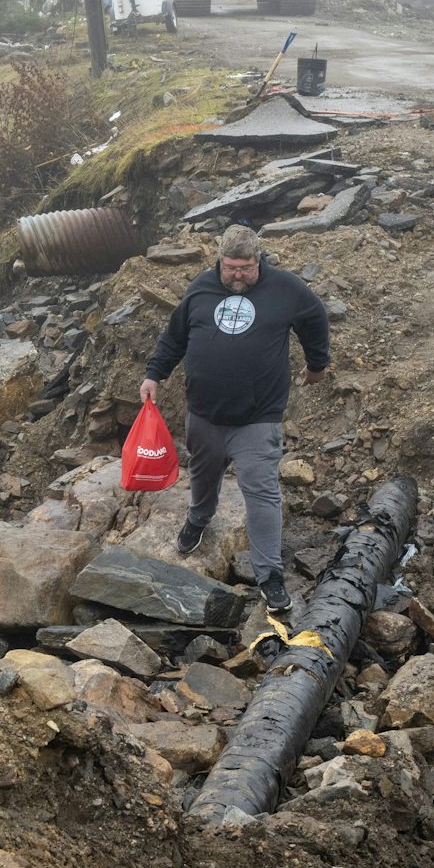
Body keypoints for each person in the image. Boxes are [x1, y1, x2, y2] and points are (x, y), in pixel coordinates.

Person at [140, 224, 330, 613]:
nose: (238, 275)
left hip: (259, 415)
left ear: (258, 260)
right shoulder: (201, 288)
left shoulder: (286, 288)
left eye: (245, 267)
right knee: (204, 474)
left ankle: (270, 576)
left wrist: (317, 364)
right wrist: (154, 374)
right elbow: (174, 336)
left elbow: (314, 319)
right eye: (230, 268)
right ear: (219, 262)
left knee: (261, 490)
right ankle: (198, 518)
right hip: (205, 412)